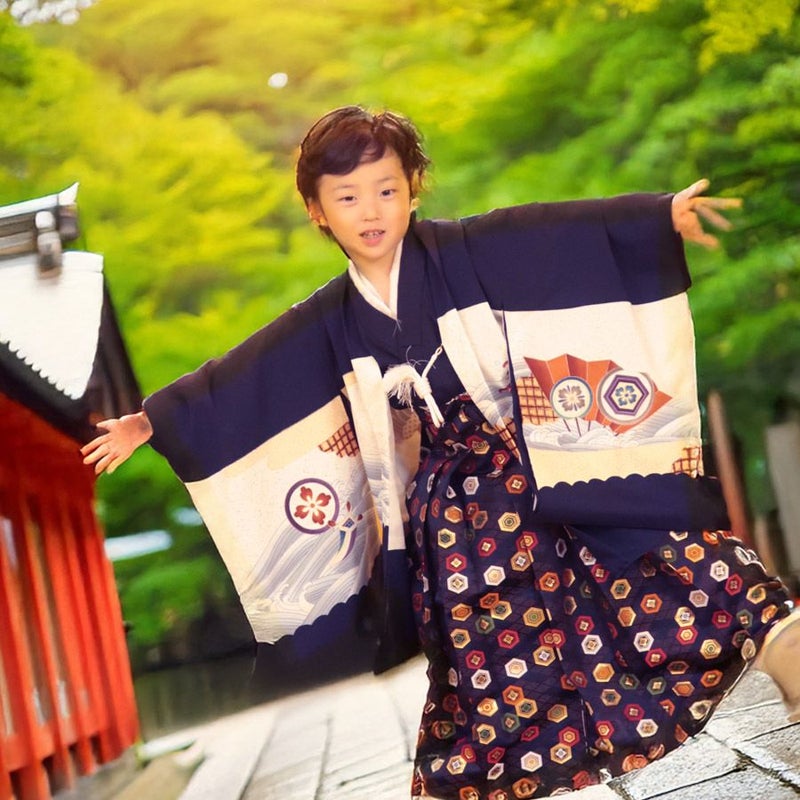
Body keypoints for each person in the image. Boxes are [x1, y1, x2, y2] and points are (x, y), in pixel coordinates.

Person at [82, 106, 798, 799]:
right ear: (317, 210)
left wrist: (651, 220)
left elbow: (555, 232)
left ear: (414, 188)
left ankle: (787, 657)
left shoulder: (469, 247)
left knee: (682, 560)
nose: (371, 211)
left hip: (550, 464)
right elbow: (247, 374)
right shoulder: (328, 319)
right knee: (485, 665)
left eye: (387, 190)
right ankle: (469, 783)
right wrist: (153, 421)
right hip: (457, 516)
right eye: (348, 196)